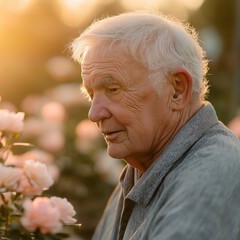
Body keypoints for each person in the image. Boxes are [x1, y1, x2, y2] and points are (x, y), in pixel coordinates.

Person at [71, 11, 240, 240]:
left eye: (113, 89)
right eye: (92, 94)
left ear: (177, 89)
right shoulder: (140, 167)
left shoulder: (211, 172)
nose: (94, 114)